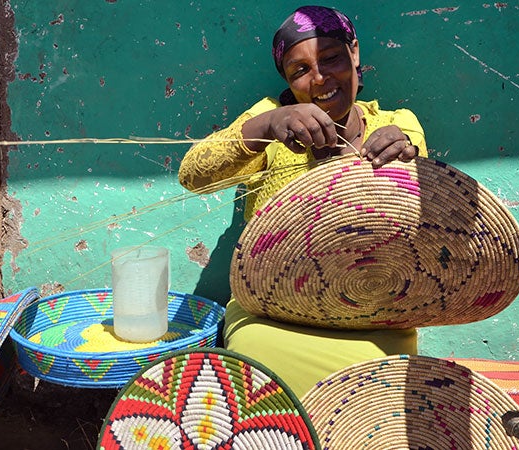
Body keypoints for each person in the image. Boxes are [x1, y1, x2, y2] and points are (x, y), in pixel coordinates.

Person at [178, 5, 428, 398]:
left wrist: (406, 162)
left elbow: (420, 223)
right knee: (258, 369)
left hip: (376, 319)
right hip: (270, 314)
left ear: (355, 53)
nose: (320, 79)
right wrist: (265, 127)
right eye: (300, 71)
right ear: (288, 82)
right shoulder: (272, 122)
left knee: (384, 399)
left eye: (330, 59)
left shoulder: (398, 125)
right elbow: (192, 175)